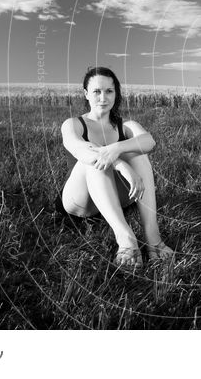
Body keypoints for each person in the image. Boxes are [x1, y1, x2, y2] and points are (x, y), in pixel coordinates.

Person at [60, 66, 174, 270]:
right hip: (80, 201)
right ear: (86, 94)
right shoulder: (74, 124)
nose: (103, 97)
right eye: (96, 91)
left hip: (115, 197)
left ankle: (152, 236)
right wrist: (119, 163)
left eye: (109, 91)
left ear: (116, 94)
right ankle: (126, 239)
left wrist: (118, 147)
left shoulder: (125, 125)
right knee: (95, 160)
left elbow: (149, 141)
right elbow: (80, 150)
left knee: (138, 154)